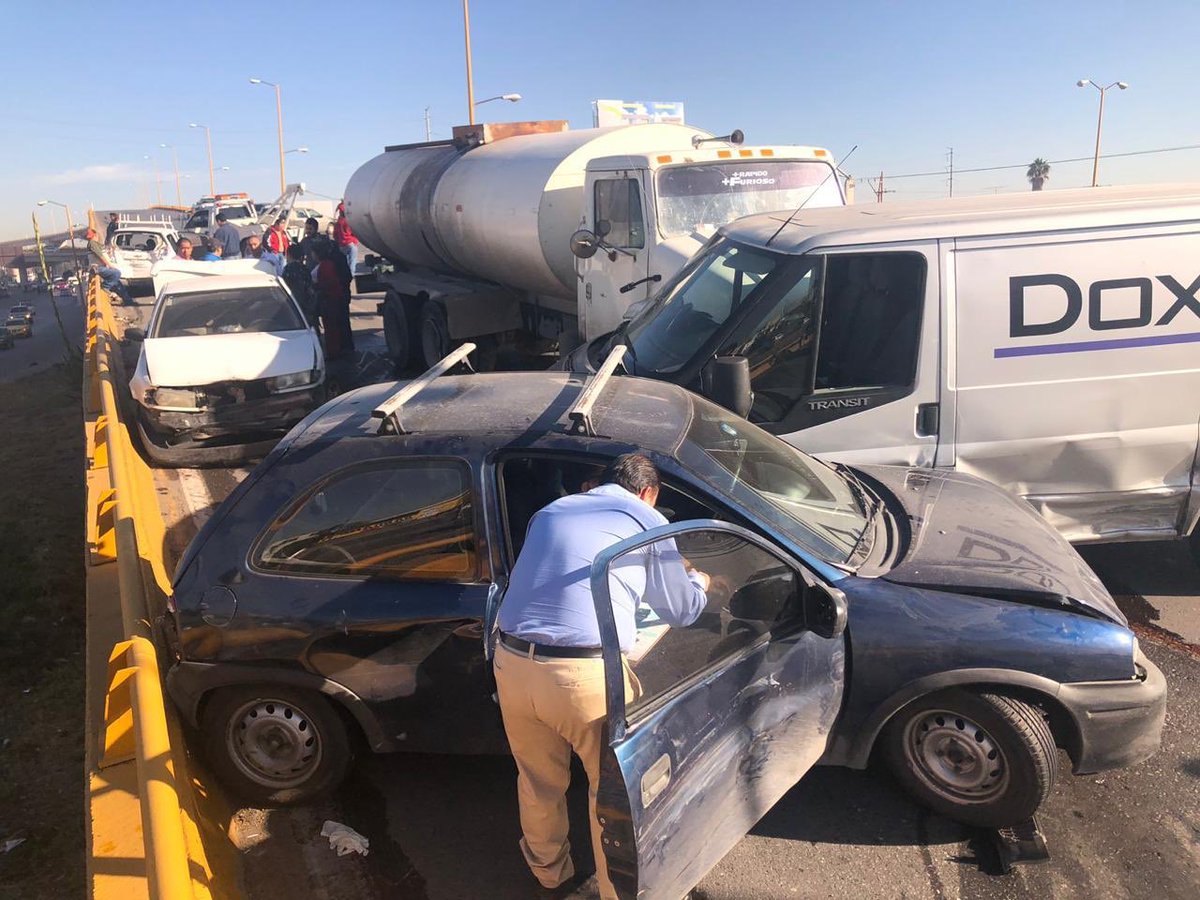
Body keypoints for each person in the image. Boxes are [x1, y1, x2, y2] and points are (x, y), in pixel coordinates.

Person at [494, 453, 709, 900]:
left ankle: (549, 876)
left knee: (537, 780)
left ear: (598, 483)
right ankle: (619, 892)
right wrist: (700, 583)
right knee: (612, 791)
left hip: (511, 662)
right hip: (581, 676)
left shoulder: (550, 512)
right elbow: (681, 610)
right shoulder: (647, 519)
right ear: (648, 493)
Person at [314, 241, 351, 358]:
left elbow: (333, 281)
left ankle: (337, 350)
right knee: (341, 323)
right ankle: (344, 347)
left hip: (333, 297)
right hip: (339, 294)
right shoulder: (336, 259)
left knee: (333, 325)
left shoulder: (328, 263)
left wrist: (318, 287)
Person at [85, 228, 132, 304]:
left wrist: (109, 251)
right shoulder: (92, 243)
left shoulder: (96, 244)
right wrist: (109, 265)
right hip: (97, 268)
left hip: (100, 267)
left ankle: (127, 300)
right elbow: (100, 256)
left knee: (118, 283)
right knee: (116, 273)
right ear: (95, 235)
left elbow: (103, 251)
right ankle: (105, 287)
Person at [283, 244, 320, 328]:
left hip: (295, 306)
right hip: (308, 305)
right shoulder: (305, 269)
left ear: (288, 255)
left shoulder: (288, 270)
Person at [334, 200, 359, 275]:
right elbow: (354, 233)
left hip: (341, 245)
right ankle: (351, 276)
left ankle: (346, 276)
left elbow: (335, 235)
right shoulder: (348, 222)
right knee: (352, 262)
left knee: (345, 263)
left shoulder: (338, 223)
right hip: (350, 244)